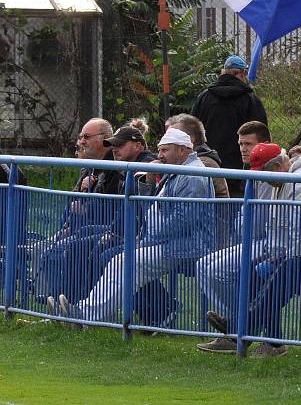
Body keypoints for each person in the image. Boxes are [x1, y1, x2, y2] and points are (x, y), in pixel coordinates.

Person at [56, 128, 215, 324]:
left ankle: (88, 316)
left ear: (182, 150)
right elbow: (153, 209)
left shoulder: (192, 175)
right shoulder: (175, 170)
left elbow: (183, 221)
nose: (160, 156)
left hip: (188, 246)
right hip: (169, 242)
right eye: (160, 150)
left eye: (165, 150)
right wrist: (148, 182)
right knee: (119, 260)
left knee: (126, 261)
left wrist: (150, 237)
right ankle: (86, 313)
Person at [196, 142, 301, 357]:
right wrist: (272, 256)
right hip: (283, 252)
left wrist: (277, 258)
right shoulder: (282, 181)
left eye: (264, 173)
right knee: (251, 273)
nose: (262, 179)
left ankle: (237, 331)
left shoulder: (300, 182)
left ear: (278, 166)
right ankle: (264, 339)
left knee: (272, 281)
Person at [33, 118, 121, 302]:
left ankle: (67, 299)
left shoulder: (115, 166)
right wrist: (81, 191)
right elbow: (71, 206)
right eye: (81, 137)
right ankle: (52, 297)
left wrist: (84, 211)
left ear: (105, 139)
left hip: (104, 230)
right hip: (80, 228)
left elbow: (111, 210)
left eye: (87, 137)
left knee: (66, 248)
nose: (81, 141)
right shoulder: (89, 166)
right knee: (45, 249)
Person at [191, 55, 269, 197]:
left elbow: (192, 129)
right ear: (241, 73)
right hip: (240, 170)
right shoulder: (250, 100)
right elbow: (262, 132)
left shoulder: (204, 97)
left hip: (208, 167)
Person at [166, 113, 231, 246]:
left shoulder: (201, 166)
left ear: (190, 139)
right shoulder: (180, 164)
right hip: (185, 237)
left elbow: (185, 218)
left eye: (173, 135)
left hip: (204, 241)